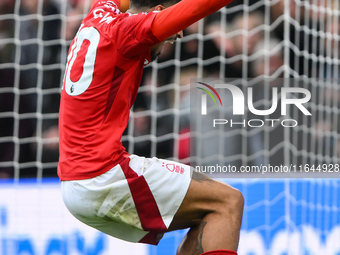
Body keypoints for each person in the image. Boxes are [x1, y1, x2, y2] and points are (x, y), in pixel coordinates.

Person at [58, 0, 244, 254]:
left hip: (75, 182)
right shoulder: (128, 32)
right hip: (102, 175)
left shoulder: (99, 12)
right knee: (228, 202)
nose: (176, 34)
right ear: (157, 12)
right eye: (173, 31)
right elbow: (199, 7)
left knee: (209, 211)